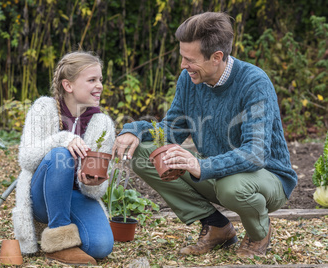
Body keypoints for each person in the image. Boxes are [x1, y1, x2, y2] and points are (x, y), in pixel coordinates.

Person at [112, 12, 297, 258]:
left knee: (232, 187)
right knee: (145, 154)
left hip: (267, 178)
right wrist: (134, 131)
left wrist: (200, 165)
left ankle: (258, 234)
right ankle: (217, 227)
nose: (182, 66)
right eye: (182, 57)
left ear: (216, 57)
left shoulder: (254, 82)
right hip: (215, 173)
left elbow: (256, 153)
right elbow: (171, 130)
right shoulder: (189, 80)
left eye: (189, 59)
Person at [12, 51, 115, 265]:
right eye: (92, 80)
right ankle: (59, 242)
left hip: (76, 197)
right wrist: (63, 139)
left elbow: (97, 190)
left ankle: (70, 230)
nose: (99, 86)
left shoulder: (102, 123)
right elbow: (26, 158)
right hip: (41, 197)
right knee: (61, 155)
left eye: (100, 80)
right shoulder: (44, 108)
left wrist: (92, 182)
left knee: (101, 247)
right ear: (68, 86)